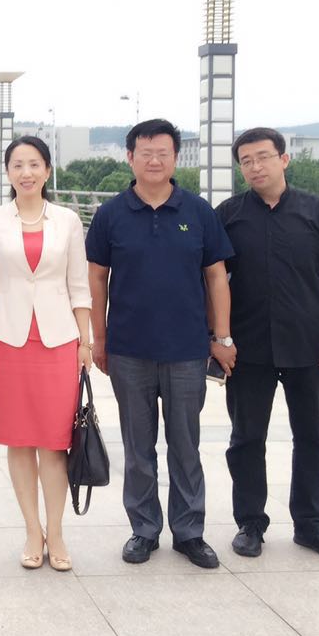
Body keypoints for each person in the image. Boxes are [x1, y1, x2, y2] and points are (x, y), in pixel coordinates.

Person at [86, 118, 235, 569]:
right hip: (128, 349)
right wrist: (98, 339)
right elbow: (97, 279)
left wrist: (222, 337)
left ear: (175, 158)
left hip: (187, 350)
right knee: (138, 448)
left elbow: (217, 277)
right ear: (130, 157)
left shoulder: (198, 211)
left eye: (163, 153)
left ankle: (190, 532)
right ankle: (144, 530)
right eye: (145, 153)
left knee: (186, 446)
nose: (154, 161)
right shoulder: (111, 214)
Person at [218, 127, 319, 561]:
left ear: (284, 159)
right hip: (248, 348)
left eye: (263, 157)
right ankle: (250, 524)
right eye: (246, 161)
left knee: (313, 438)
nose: (255, 167)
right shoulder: (228, 215)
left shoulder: (318, 212)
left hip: (310, 345)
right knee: (246, 439)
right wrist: (218, 338)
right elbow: (211, 279)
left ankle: (311, 525)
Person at [0, 136, 92, 572]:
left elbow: (78, 285)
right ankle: (31, 530)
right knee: (19, 440)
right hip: (8, 339)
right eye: (18, 165)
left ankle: (56, 532)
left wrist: (85, 341)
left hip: (58, 341)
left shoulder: (67, 221)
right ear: (7, 172)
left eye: (34, 164)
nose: (26, 172)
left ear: (47, 171)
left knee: (55, 442)